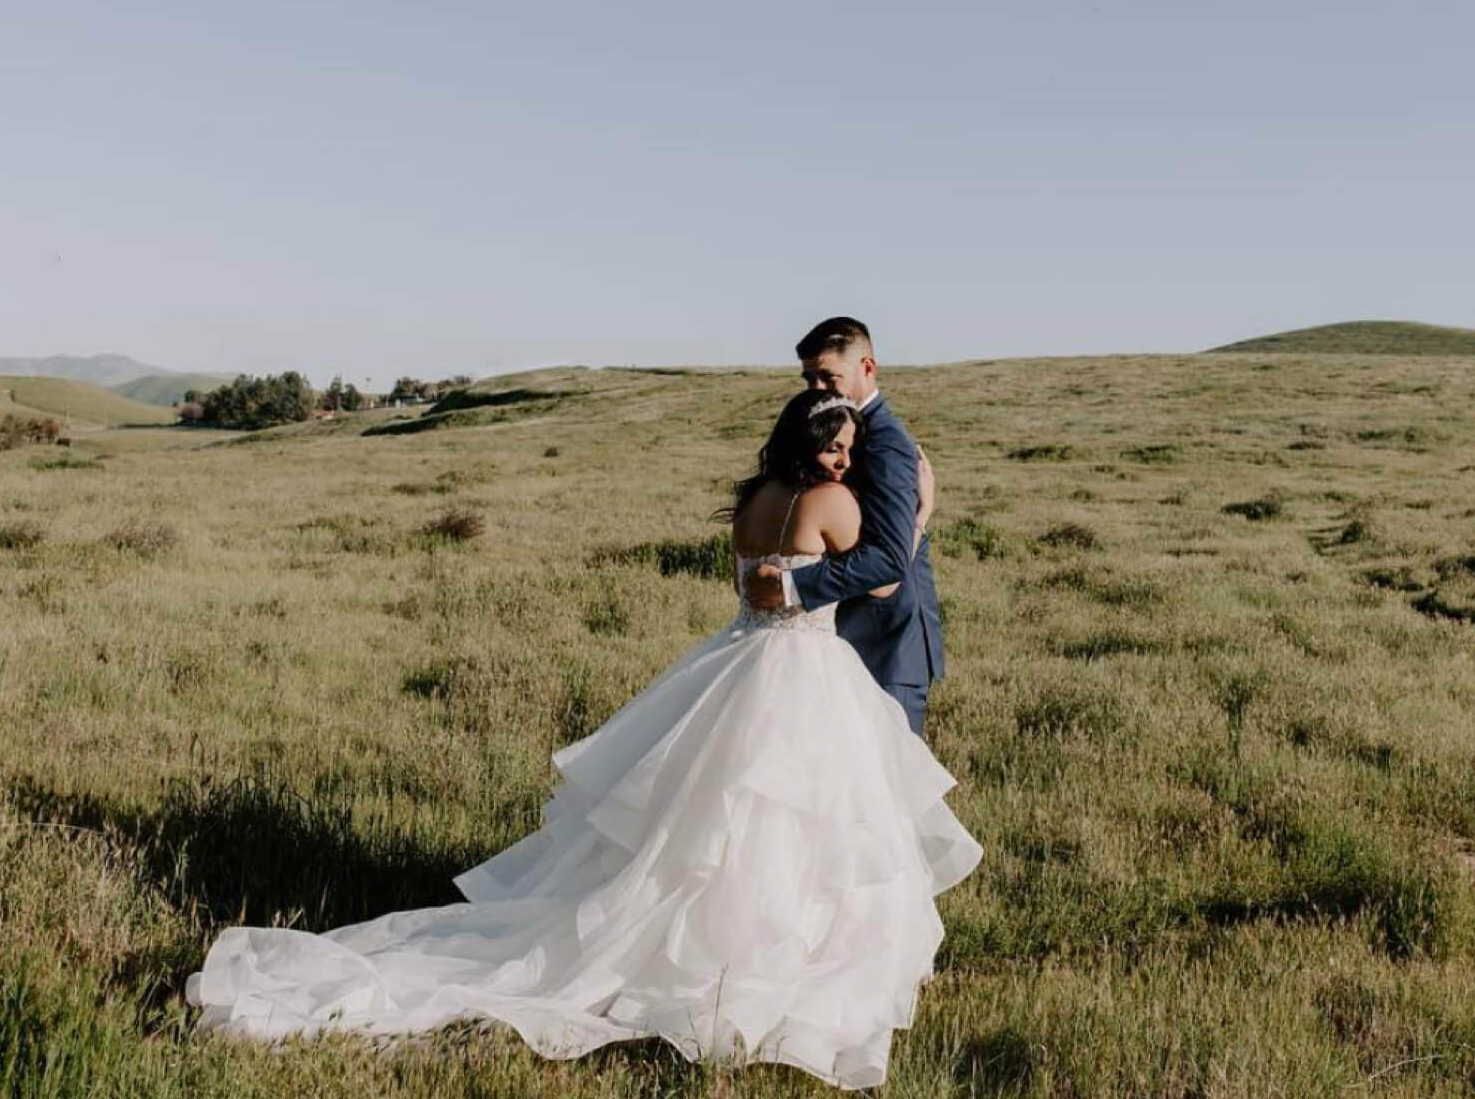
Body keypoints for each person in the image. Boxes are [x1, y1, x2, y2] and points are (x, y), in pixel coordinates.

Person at [185, 389, 982, 1092]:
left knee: (711, 821)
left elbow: (758, 583)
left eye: (848, 446)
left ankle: (717, 943)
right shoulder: (834, 504)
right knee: (791, 822)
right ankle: (767, 961)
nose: (845, 458)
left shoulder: (756, 500)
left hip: (738, 661)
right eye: (835, 446)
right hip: (802, 673)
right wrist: (918, 513)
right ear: (812, 446)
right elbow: (882, 577)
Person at [743, 317, 944, 737]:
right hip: (822, 648)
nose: (815, 388)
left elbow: (888, 559)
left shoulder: (887, 445)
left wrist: (790, 585)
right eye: (808, 377)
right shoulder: (821, 431)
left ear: (867, 368)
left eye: (827, 376)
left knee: (881, 791)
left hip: (883, 644)